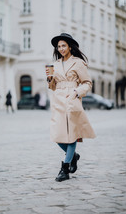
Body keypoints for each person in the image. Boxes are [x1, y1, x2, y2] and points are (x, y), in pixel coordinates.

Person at [45, 33, 96, 182]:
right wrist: (50, 79)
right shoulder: (54, 64)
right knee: (57, 135)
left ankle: (65, 168)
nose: (61, 48)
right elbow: (53, 87)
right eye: (59, 46)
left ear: (69, 47)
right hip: (58, 99)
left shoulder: (78, 63)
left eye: (63, 46)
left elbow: (87, 83)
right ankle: (73, 155)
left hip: (72, 99)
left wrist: (76, 92)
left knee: (72, 134)